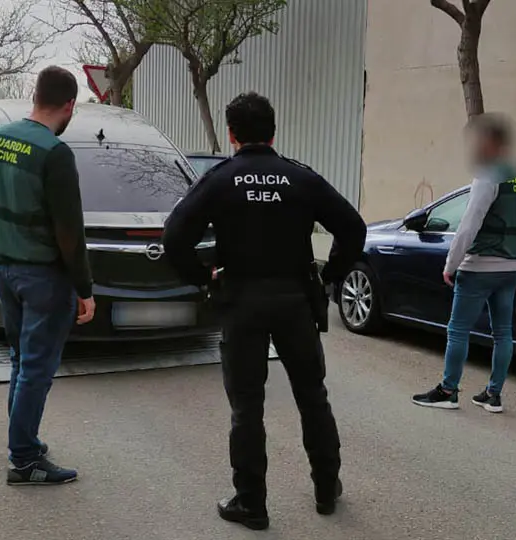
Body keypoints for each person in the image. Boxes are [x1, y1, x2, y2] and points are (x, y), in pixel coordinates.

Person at [162, 92, 366, 530]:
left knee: (247, 407)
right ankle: (327, 488)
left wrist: (203, 277)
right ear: (273, 131)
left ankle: (251, 503)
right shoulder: (301, 179)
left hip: (241, 303)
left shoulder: (219, 179)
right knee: (313, 397)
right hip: (296, 301)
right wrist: (331, 275)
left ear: (231, 134)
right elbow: (353, 226)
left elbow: (174, 236)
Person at [0, 66, 96, 486]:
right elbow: (70, 232)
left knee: (19, 360)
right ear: (68, 106)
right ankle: (24, 459)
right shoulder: (54, 153)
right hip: (42, 277)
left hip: (3, 268)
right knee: (36, 369)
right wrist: (85, 289)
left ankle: (22, 440)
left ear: (35, 95)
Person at [412, 113, 516, 414]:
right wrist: (515, 257)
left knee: (458, 330)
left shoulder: (488, 177)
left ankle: (448, 390)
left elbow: (469, 225)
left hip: (480, 266)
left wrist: (451, 264)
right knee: (502, 332)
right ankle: (493, 395)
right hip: (511, 267)